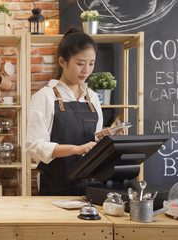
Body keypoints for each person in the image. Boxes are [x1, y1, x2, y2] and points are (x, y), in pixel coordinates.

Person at [26, 27, 117, 196]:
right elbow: (34, 146)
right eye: (80, 64)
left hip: (91, 188)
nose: (87, 70)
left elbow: (92, 140)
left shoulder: (92, 97)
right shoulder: (45, 97)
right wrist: (77, 149)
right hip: (57, 188)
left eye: (92, 63)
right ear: (62, 61)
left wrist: (103, 138)